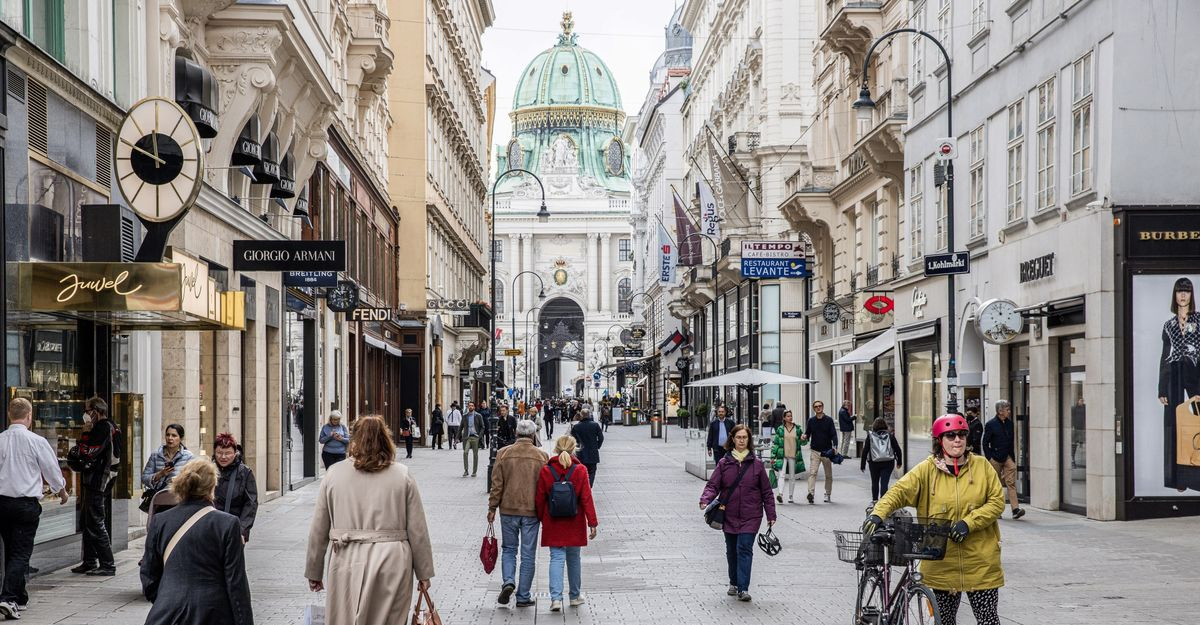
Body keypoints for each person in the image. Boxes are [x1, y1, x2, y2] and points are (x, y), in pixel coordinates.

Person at [864, 414, 1006, 625]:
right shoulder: (927, 470)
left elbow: (996, 502)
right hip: (942, 564)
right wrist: (878, 513)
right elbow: (898, 492)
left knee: (988, 620)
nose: (957, 440)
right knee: (945, 621)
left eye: (961, 435)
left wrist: (969, 523)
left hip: (980, 563)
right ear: (940, 440)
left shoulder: (982, 466)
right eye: (951, 435)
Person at [305, 416, 434, 625]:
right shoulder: (402, 475)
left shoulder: (334, 474)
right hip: (392, 560)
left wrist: (314, 570)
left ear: (354, 438)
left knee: (345, 618)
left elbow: (319, 527)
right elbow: (417, 529)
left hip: (346, 557)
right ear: (385, 439)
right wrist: (424, 573)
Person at [140, 460, 253, 625]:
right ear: (212, 487)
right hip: (214, 613)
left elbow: (149, 575)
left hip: (168, 612)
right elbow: (236, 583)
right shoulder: (228, 524)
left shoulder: (160, 521)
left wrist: (167, 599)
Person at [0, 398, 69, 619]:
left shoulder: (0, 440)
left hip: (2, 504)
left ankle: (20, 597)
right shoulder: (36, 441)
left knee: (12, 549)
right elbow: (51, 469)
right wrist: (61, 491)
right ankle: (8, 598)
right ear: (29, 416)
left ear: (10, 415)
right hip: (24, 505)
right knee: (20, 553)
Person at [699, 424, 776, 602]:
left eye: (745, 437)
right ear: (732, 439)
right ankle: (733, 582)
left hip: (751, 515)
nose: (741, 440)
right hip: (729, 514)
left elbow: (766, 492)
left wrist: (771, 515)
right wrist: (705, 499)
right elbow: (713, 485)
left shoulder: (757, 465)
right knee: (732, 550)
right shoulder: (724, 463)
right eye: (739, 437)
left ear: (749, 440)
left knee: (744, 548)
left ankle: (743, 588)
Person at [487, 420, 549, 608]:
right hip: (531, 512)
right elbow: (546, 487)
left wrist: (492, 508)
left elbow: (496, 485)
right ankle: (523, 596)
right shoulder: (542, 456)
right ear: (532, 435)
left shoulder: (503, 453)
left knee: (509, 549)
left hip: (508, 509)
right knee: (528, 554)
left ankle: (508, 581)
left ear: (516, 433)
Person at [535, 436, 599, 612]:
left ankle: (555, 599)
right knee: (574, 558)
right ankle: (574, 596)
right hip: (574, 522)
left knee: (556, 558)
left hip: (553, 521)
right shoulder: (580, 470)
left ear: (556, 449)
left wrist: (541, 518)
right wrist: (592, 522)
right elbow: (586, 498)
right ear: (574, 449)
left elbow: (540, 497)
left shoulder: (546, 470)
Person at [1158, 277, 1200, 492]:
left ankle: (1196, 475)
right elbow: (1165, 356)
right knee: (1172, 424)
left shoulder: (1199, 320)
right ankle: (1176, 478)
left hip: (1195, 371)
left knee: (1198, 422)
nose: (1183, 295)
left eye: (1187, 291)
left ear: (1192, 295)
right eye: (1179, 291)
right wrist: (1161, 387)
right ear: (1174, 295)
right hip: (1173, 372)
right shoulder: (1169, 325)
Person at [72, 396, 118, 576]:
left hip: (99, 479)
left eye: (87, 411)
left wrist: (85, 433)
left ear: (96, 412)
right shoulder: (110, 426)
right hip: (97, 479)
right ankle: (89, 560)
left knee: (96, 521)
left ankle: (107, 564)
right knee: (88, 520)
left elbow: (88, 452)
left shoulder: (103, 427)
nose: (85, 414)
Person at [982, 400, 1025, 519]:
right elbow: (985, 443)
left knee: (1011, 483)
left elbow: (1011, 442)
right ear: (1000, 411)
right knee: (996, 485)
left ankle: (1015, 509)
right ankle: (996, 510)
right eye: (1007, 410)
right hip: (995, 458)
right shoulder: (991, 424)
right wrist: (990, 458)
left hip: (1007, 457)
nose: (1009, 412)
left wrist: (1012, 458)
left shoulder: (1010, 424)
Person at [212, 433, 258, 543]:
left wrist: (242, 531)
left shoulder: (245, 473)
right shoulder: (208, 470)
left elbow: (250, 504)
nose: (223, 457)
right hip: (211, 528)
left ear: (235, 453)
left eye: (228, 453)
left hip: (234, 529)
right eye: (219, 453)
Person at [141, 423, 195, 495]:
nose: (170, 438)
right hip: (159, 497)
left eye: (174, 435)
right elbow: (144, 478)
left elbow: (194, 479)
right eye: (167, 435)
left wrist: (179, 480)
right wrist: (160, 474)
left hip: (179, 497)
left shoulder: (188, 456)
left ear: (181, 438)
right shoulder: (155, 455)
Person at [802, 400, 838, 504]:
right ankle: (811, 494)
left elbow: (833, 434)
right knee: (812, 473)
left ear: (823, 407)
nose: (818, 408)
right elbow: (808, 433)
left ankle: (827, 494)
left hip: (827, 451)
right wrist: (804, 436)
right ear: (814, 409)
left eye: (820, 406)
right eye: (816, 406)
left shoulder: (829, 420)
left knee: (828, 475)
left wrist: (835, 447)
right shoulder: (811, 421)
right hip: (815, 451)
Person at [860, 418, 902, 503]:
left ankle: (875, 501)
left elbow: (865, 451)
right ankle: (883, 502)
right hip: (888, 463)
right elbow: (898, 449)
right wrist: (899, 462)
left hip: (874, 463)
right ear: (885, 425)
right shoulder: (890, 436)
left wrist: (863, 465)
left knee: (874, 482)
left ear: (874, 426)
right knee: (884, 483)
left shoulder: (870, 436)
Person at [769, 410, 807, 503]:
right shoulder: (780, 429)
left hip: (793, 455)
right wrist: (773, 456)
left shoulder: (797, 429)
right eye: (788, 416)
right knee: (781, 475)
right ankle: (780, 494)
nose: (790, 418)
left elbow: (803, 443)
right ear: (784, 418)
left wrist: (803, 439)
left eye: (791, 416)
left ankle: (790, 496)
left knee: (792, 476)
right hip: (782, 455)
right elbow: (776, 443)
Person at [570, 407, 604, 486]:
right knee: (592, 471)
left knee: (581, 471)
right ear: (589, 415)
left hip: (580, 453)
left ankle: (583, 486)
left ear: (581, 415)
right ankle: (589, 486)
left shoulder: (576, 426)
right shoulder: (595, 425)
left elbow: (572, 439)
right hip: (593, 452)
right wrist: (597, 446)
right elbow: (601, 438)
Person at [462, 401, 486, 477]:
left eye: (472, 405)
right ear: (468, 407)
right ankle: (466, 470)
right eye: (469, 405)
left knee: (475, 455)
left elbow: (483, 427)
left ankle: (474, 472)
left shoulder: (478, 416)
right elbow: (461, 427)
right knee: (465, 452)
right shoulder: (465, 416)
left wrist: (479, 436)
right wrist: (457, 438)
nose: (471, 407)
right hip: (467, 437)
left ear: (474, 407)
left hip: (475, 437)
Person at [1070, 397, 1086, 469]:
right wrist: (1072, 426)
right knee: (1074, 444)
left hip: (1082, 428)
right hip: (1075, 428)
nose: (1081, 402)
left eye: (1082, 401)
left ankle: (1077, 461)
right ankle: (1073, 460)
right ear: (1078, 401)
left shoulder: (1084, 408)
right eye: (1080, 401)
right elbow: (1072, 418)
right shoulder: (1074, 408)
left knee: (1081, 444)